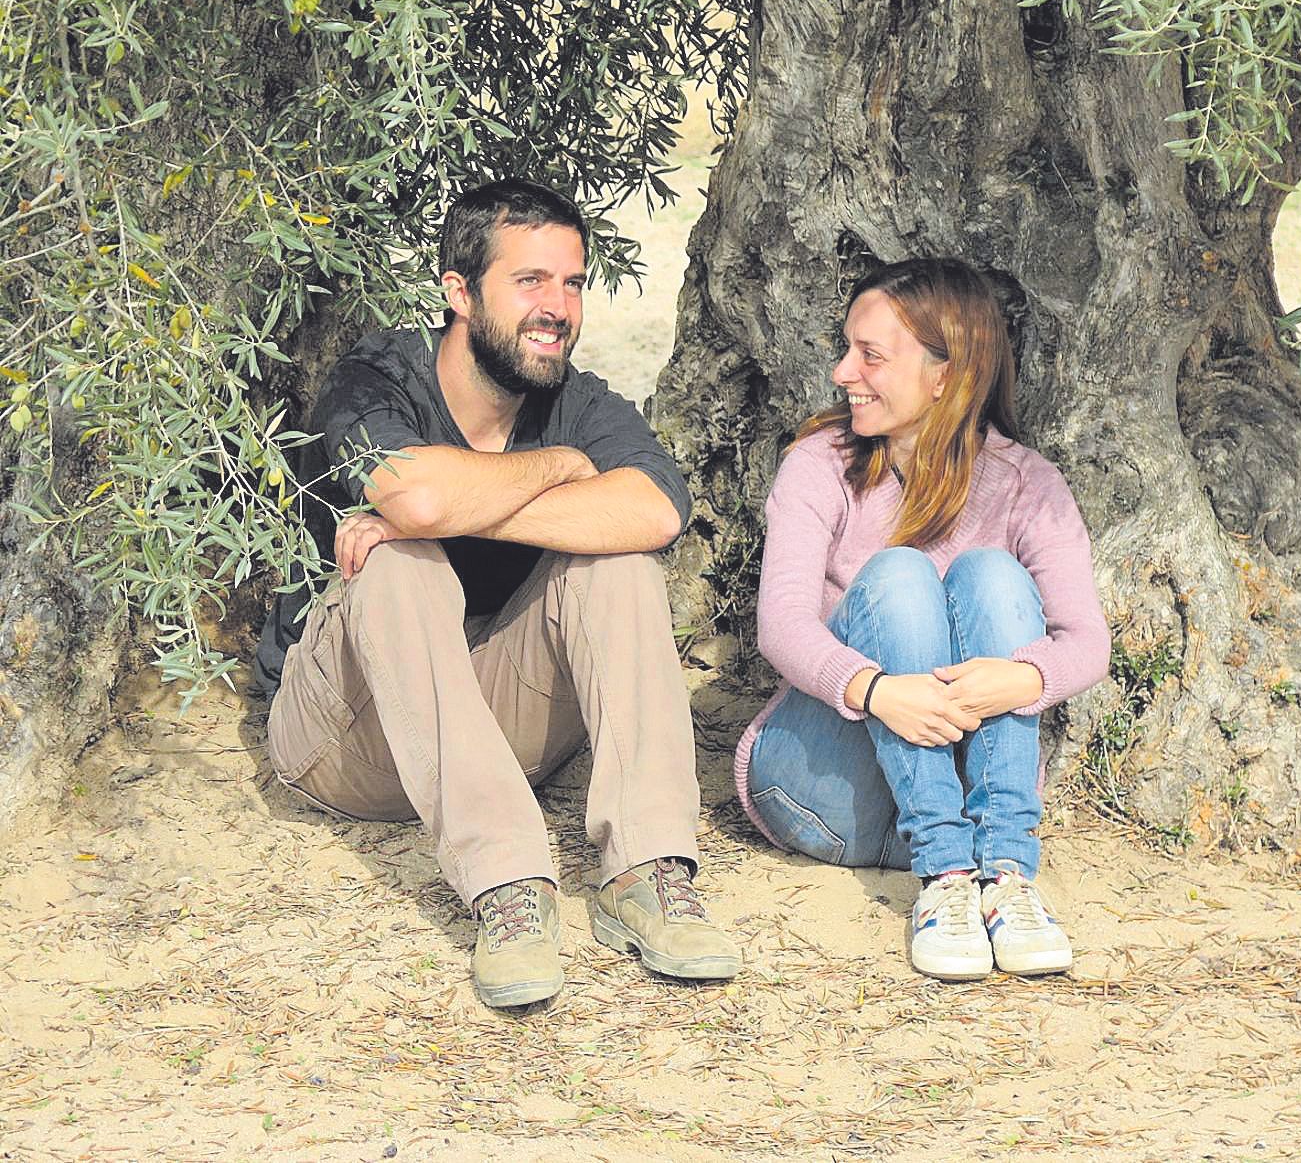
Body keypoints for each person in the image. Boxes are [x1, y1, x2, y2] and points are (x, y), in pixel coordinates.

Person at [255, 178, 741, 1008]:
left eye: (572, 283)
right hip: (347, 736)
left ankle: (646, 869)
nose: (556, 307)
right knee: (396, 562)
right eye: (530, 282)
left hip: (494, 726)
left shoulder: (578, 401)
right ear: (458, 292)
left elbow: (656, 511)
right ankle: (510, 886)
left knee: (617, 561)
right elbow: (417, 499)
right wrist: (551, 474)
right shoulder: (375, 381)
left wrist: (455, 508)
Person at [734, 258, 1109, 981]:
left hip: (972, 801)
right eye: (846, 349)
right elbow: (780, 625)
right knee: (902, 573)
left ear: (947, 373)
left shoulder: (1028, 485)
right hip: (823, 790)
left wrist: (1022, 678)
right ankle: (944, 878)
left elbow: (1088, 642)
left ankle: (1003, 877)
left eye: (871, 355)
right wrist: (879, 691)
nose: (845, 373)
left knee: (992, 575)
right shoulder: (821, 465)